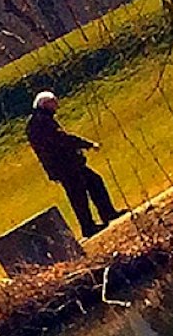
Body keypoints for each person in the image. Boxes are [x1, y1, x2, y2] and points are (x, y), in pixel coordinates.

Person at [28, 91, 118, 237]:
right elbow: (61, 139)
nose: (57, 105)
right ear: (45, 104)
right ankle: (89, 227)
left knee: (93, 182)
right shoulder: (41, 122)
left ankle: (106, 214)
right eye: (53, 102)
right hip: (65, 166)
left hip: (68, 164)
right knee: (79, 195)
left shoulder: (39, 121)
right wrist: (86, 144)